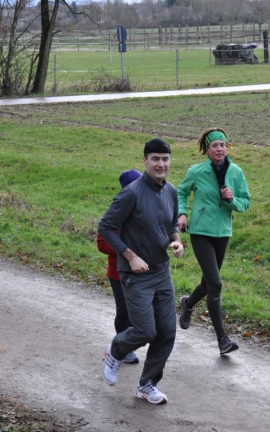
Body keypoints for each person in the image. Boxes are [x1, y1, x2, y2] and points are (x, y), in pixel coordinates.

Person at [98, 138, 184, 405]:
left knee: (168, 332)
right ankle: (116, 350)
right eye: (155, 159)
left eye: (165, 159)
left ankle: (147, 384)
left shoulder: (170, 190)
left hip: (161, 271)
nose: (161, 164)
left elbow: (172, 222)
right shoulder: (131, 193)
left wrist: (176, 241)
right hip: (135, 275)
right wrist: (130, 255)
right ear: (145, 160)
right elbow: (105, 227)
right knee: (145, 331)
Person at [176, 127, 250, 355]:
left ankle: (187, 304)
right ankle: (222, 339)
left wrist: (232, 200)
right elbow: (181, 192)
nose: (219, 149)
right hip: (200, 231)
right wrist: (182, 214)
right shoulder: (197, 171)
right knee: (216, 283)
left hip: (223, 233)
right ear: (207, 149)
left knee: (210, 282)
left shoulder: (236, 172)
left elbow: (245, 202)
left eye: (222, 145)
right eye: (214, 145)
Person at [96, 169, 142, 365]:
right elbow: (102, 243)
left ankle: (126, 344)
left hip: (143, 272)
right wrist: (125, 251)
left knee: (139, 311)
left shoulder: (144, 211)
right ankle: (122, 347)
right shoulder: (117, 212)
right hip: (118, 273)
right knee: (124, 312)